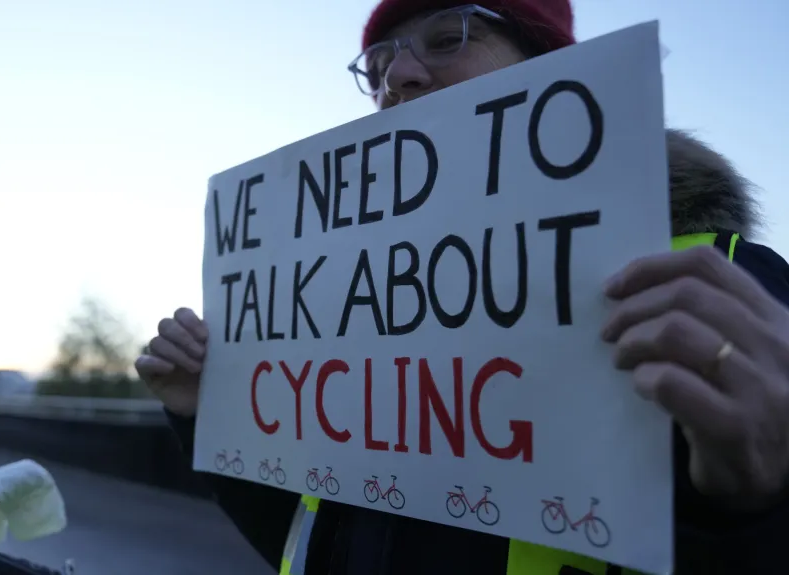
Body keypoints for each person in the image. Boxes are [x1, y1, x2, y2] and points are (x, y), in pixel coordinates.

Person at [135, 1, 789, 573]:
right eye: (377, 64)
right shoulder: (347, 309)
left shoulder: (725, 286)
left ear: (553, 72)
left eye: (450, 38)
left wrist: (757, 505)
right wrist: (208, 416)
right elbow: (311, 544)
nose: (398, 77)